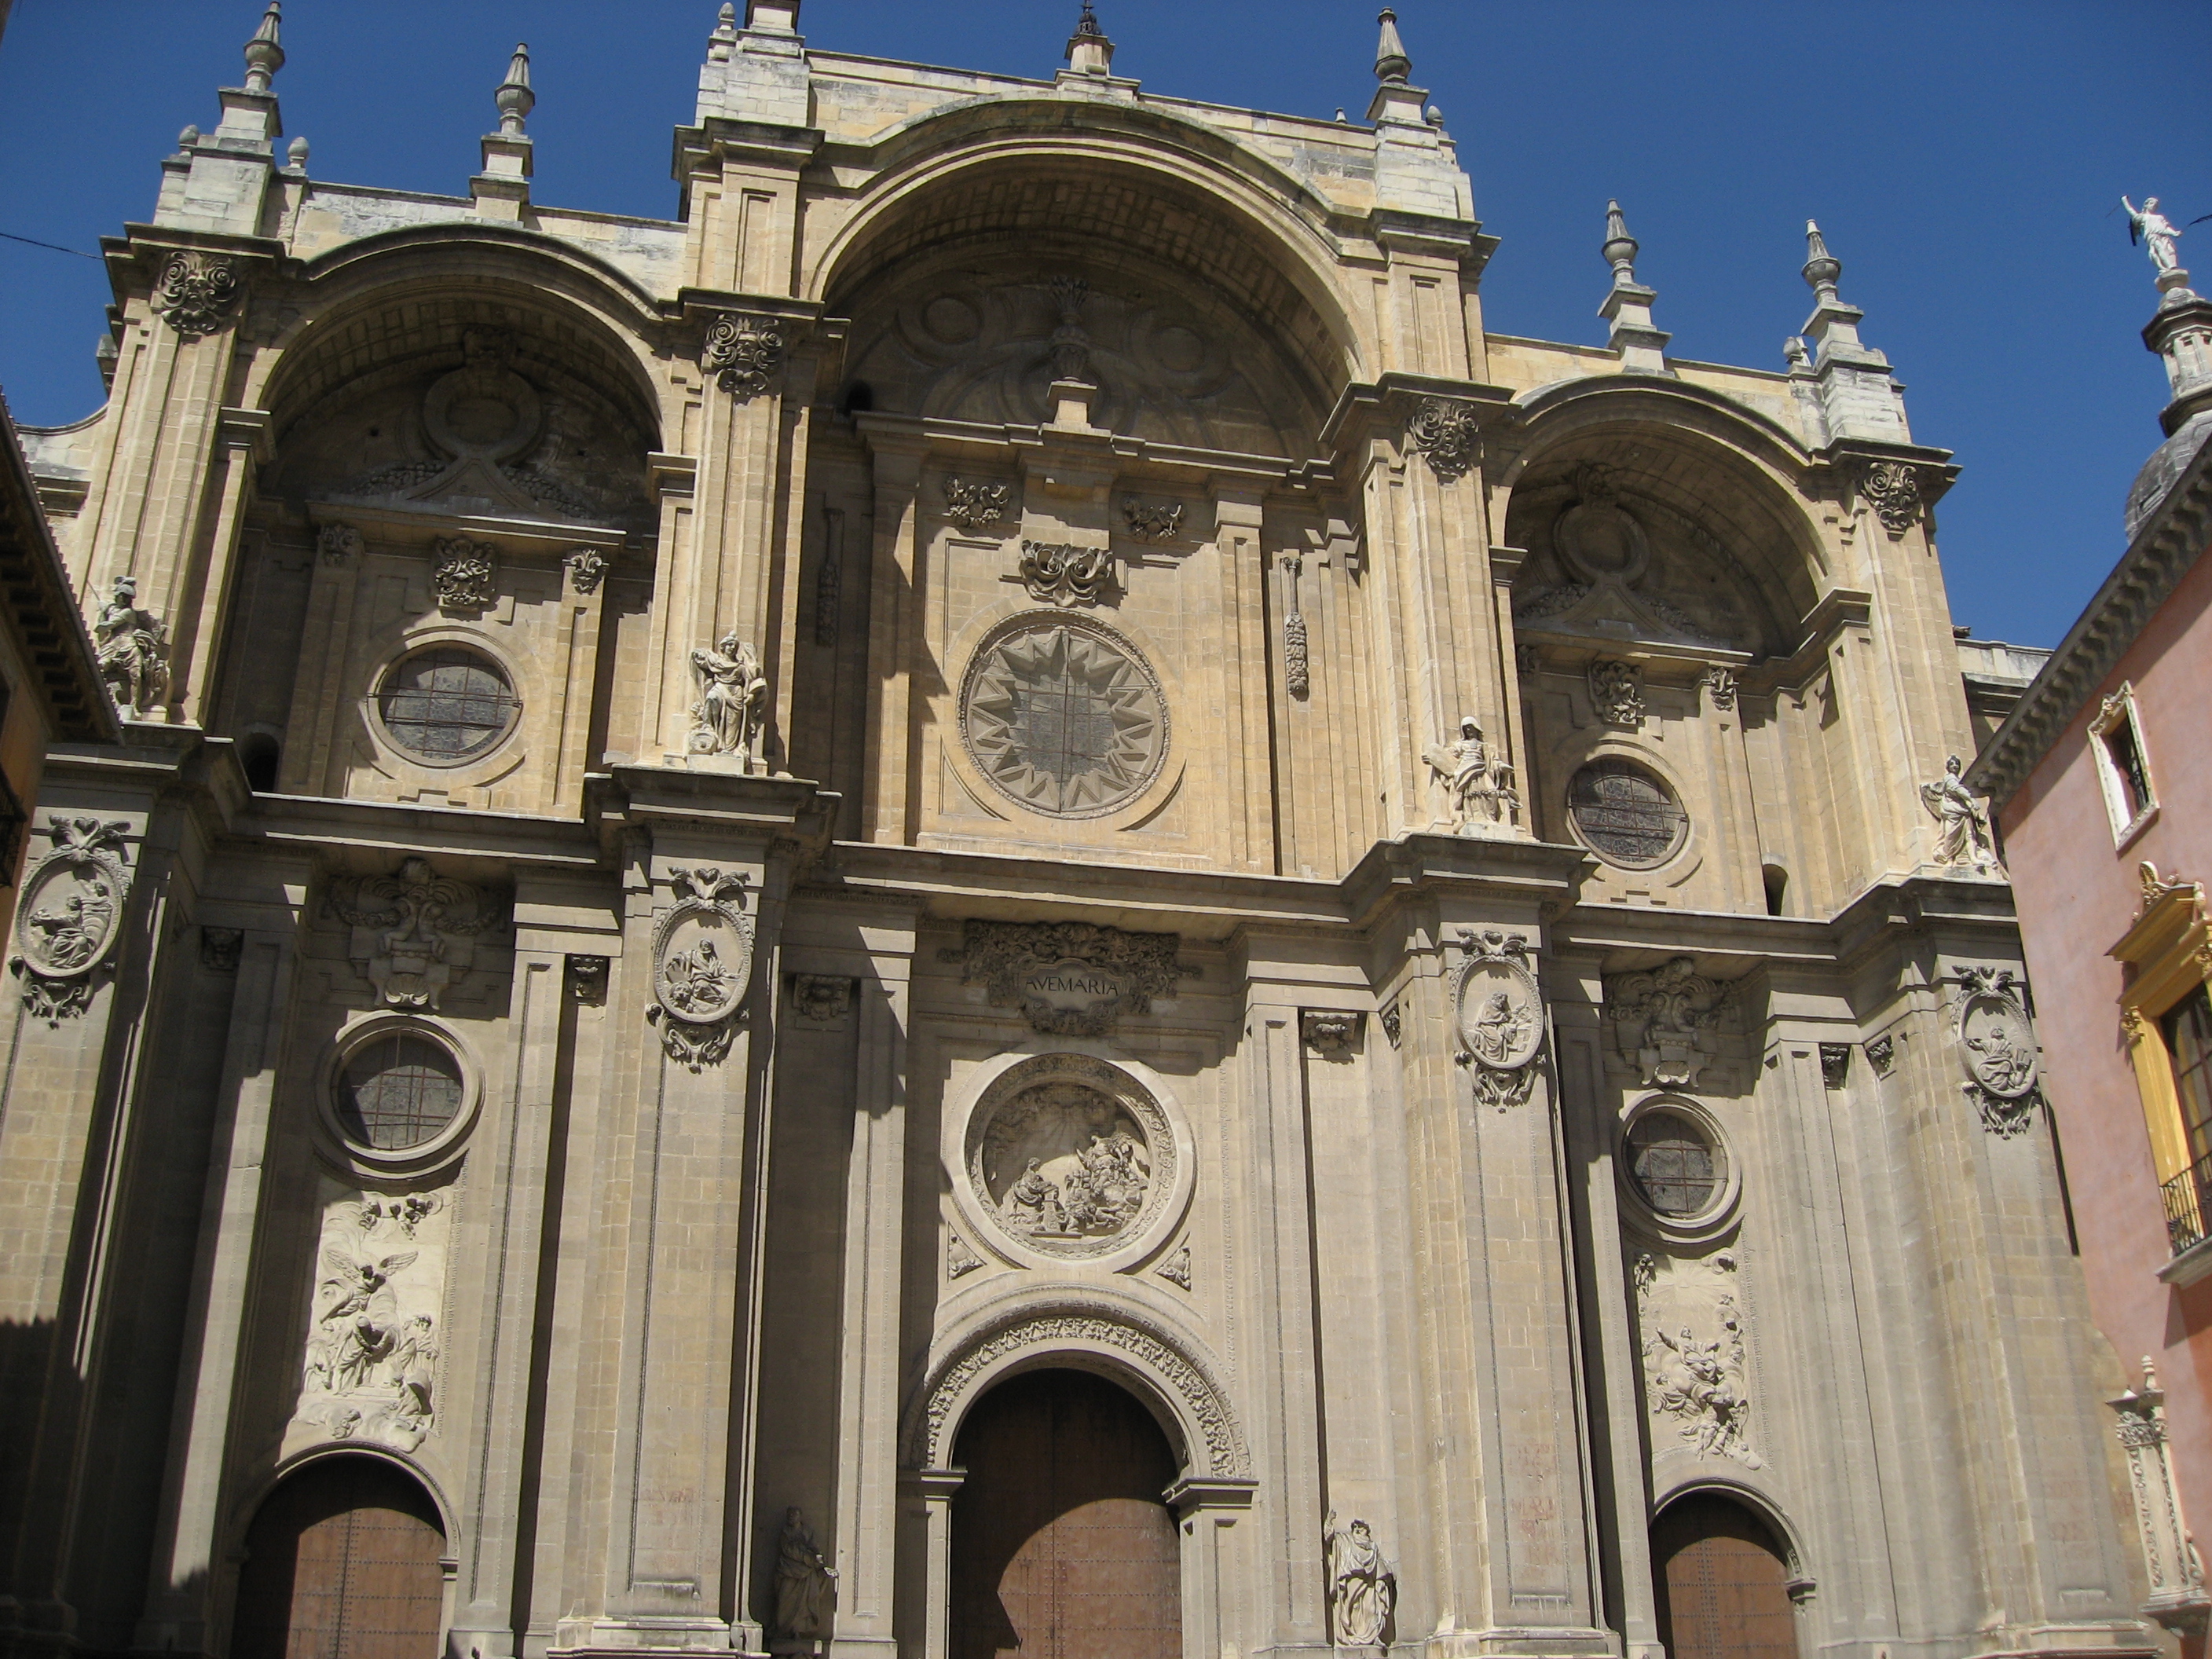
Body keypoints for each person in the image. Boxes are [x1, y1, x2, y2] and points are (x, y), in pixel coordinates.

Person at [1921, 755, 2001, 875]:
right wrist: (1972, 800)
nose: (1955, 766)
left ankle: (1973, 858)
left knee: (1970, 836)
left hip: (1963, 813)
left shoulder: (1958, 780)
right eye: (1952, 764)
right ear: (1948, 767)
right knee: (1950, 837)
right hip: (1952, 813)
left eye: (1957, 764)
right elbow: (1957, 789)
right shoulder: (1949, 779)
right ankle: (1950, 858)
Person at [1324, 1511, 1395, 1648]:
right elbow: (1329, 1538)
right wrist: (1329, 1521)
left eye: (1361, 1527)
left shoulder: (1372, 1547)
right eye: (1355, 1526)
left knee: (1371, 1609)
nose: (1357, 1529)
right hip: (1352, 1582)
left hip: (1368, 1584)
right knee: (1353, 1609)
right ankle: (1355, 1636)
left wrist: (1381, 1581)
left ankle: (1372, 1636)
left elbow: (1379, 1566)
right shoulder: (1345, 1540)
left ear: (1367, 1530)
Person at [774, 1507, 837, 1640]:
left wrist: (818, 1560)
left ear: (800, 1517)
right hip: (789, 1570)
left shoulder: (807, 1532)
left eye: (794, 1515)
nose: (791, 1517)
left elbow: (815, 1548)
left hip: (807, 1572)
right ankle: (786, 1629)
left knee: (807, 1601)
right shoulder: (785, 1532)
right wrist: (808, 1558)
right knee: (786, 1600)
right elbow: (788, 1550)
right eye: (789, 1515)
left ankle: (800, 1629)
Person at [2123, 196, 2184, 275]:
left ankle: (2172, 266)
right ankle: (2170, 267)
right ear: (2146, 205)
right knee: (2160, 249)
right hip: (2153, 236)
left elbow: (2166, 227)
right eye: (2152, 204)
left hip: (2164, 236)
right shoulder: (2143, 217)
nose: (2154, 206)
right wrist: (2125, 201)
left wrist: (2174, 233)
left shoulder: (2160, 217)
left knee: (2171, 250)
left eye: (2156, 205)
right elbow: (2131, 211)